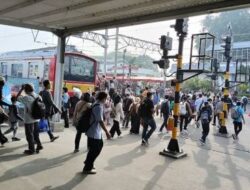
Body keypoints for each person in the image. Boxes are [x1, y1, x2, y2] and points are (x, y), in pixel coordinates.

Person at [83, 91, 111, 174]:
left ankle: (89, 163)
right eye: (106, 98)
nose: (106, 100)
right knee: (96, 149)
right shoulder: (98, 106)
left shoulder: (97, 103)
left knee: (92, 149)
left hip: (93, 131)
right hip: (94, 132)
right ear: (103, 98)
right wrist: (107, 132)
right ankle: (87, 167)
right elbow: (100, 121)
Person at [16, 84, 43, 154]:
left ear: (26, 90)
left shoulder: (26, 98)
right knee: (36, 134)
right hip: (37, 118)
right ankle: (39, 145)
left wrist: (21, 89)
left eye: (24, 89)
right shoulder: (38, 96)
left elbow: (17, 98)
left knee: (29, 135)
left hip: (29, 119)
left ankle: (31, 150)